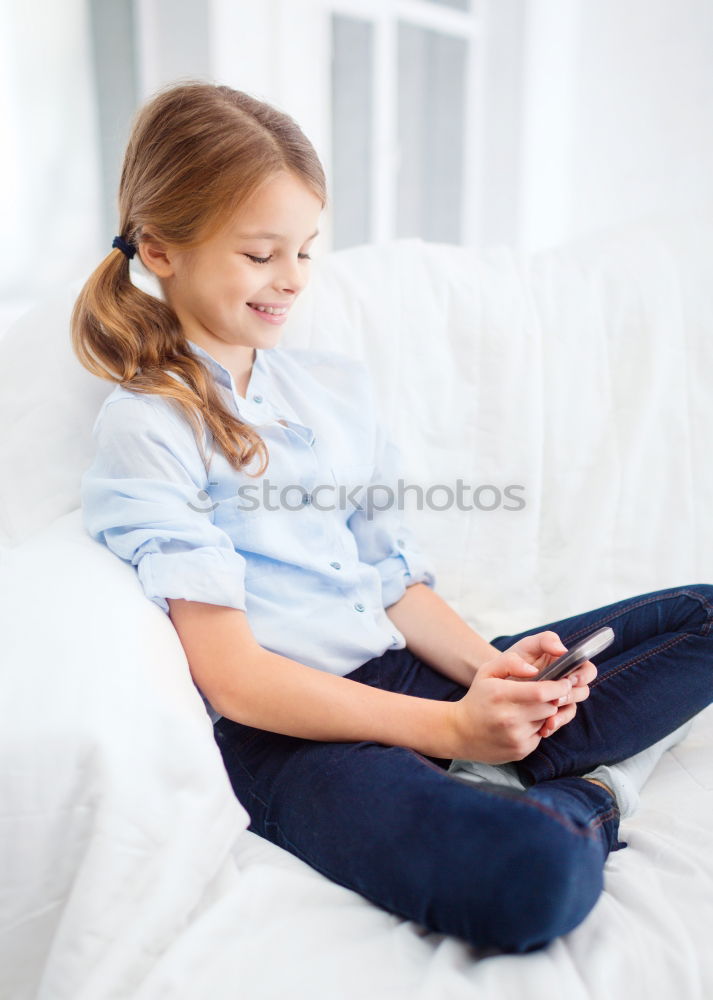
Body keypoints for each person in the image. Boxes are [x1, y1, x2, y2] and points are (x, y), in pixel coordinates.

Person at [73, 80, 713, 955]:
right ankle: (589, 793)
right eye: (261, 254)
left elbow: (391, 578)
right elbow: (235, 680)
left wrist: (492, 675)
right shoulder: (150, 425)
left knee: (704, 615)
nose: (291, 280)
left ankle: (516, 748)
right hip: (290, 738)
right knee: (530, 880)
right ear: (161, 249)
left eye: (304, 249)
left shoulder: (332, 388)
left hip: (400, 670)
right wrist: (451, 729)